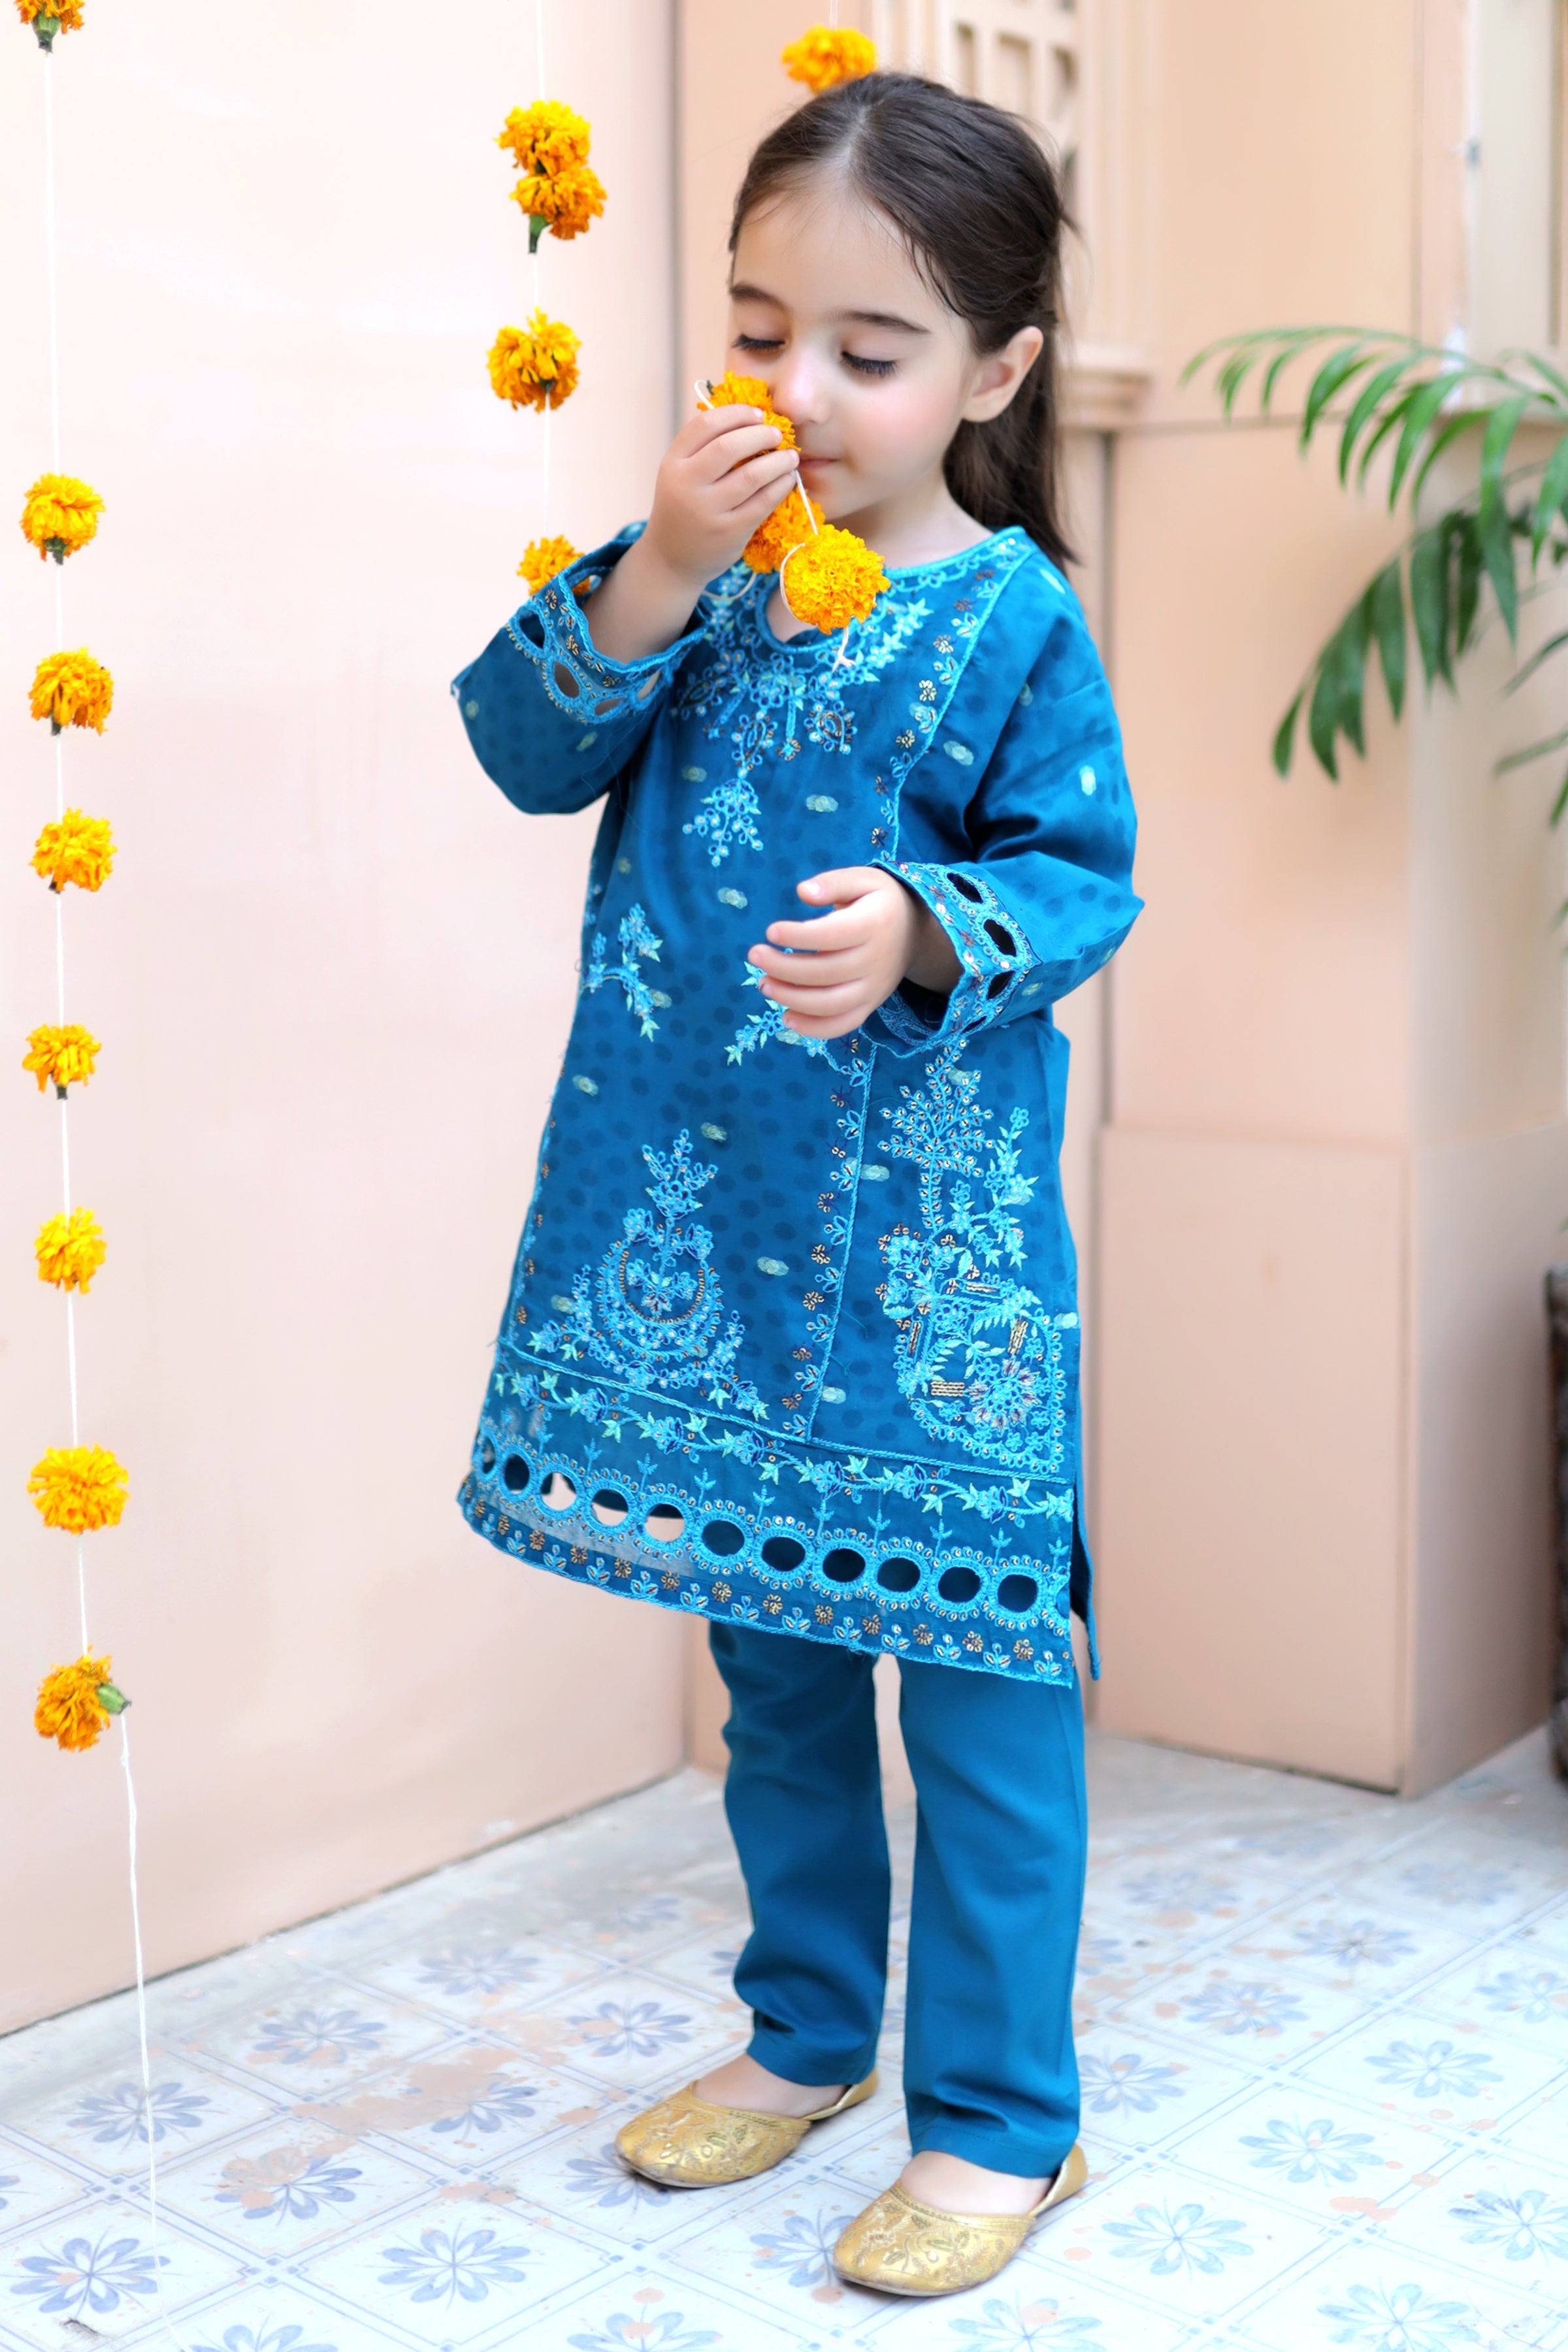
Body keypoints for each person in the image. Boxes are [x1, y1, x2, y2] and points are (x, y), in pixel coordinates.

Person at [451, 69, 1140, 2299]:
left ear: (996, 375)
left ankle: (1005, 2124)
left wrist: (927, 928)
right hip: (713, 1243)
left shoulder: (1016, 620)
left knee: (986, 1699)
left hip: (934, 1278)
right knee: (777, 1680)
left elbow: (1086, 878)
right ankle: (807, 2033)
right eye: (759, 335)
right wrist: (662, 558)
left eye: (870, 349)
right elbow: (526, 745)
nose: (801, 394)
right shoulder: (702, 584)